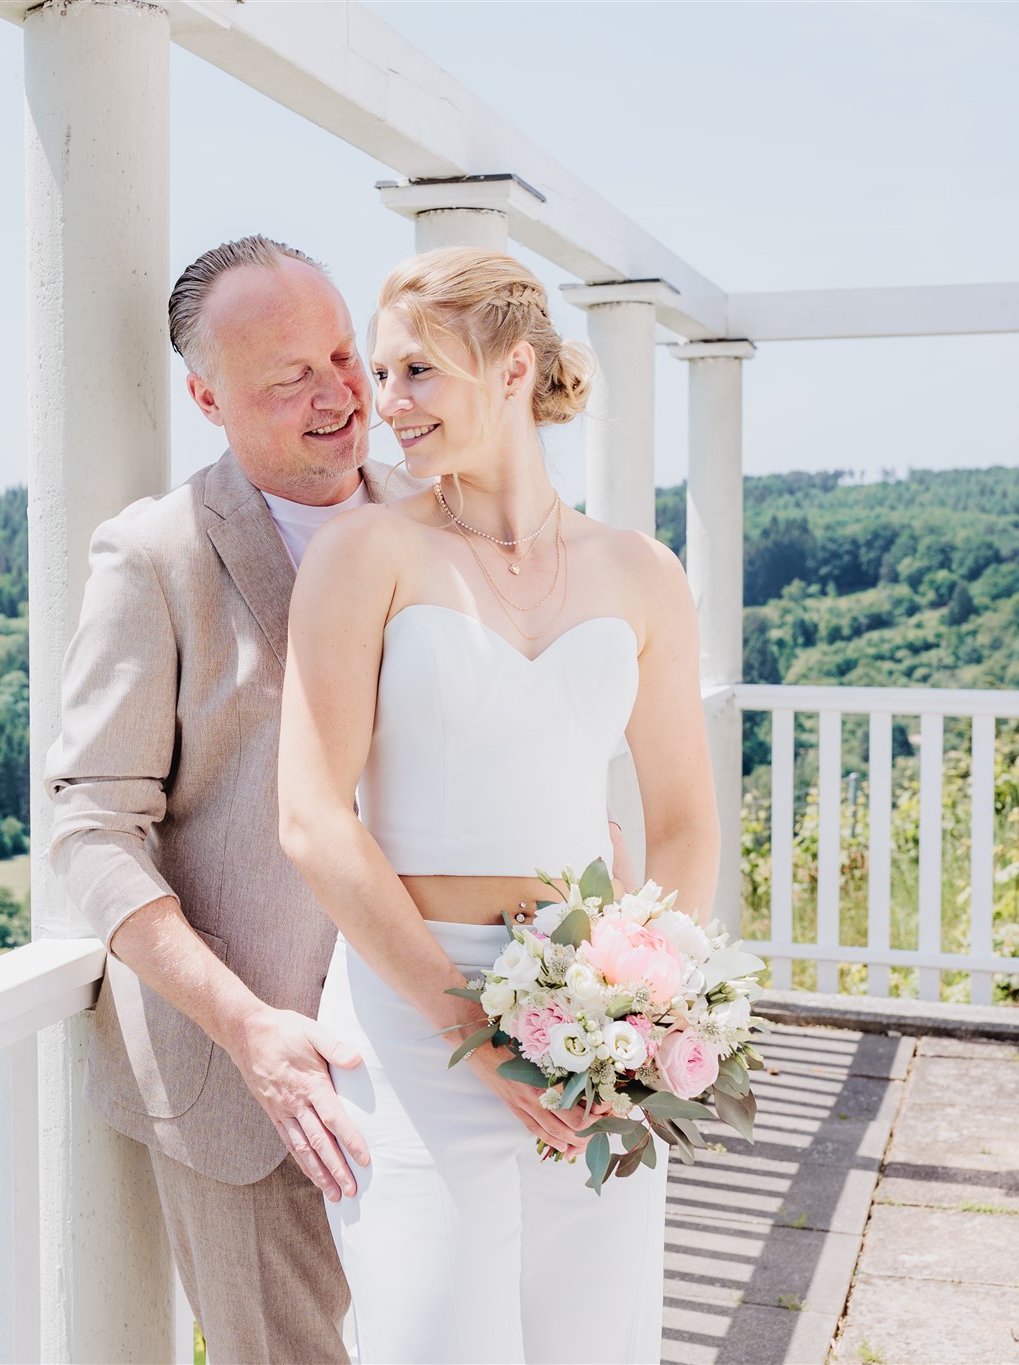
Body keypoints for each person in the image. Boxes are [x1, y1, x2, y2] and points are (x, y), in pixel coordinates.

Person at [45, 236, 634, 1363]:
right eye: (287, 379)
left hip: (469, 1052)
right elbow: (89, 824)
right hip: (266, 1085)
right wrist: (245, 1028)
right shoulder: (151, 556)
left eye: (340, 357)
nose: (340, 397)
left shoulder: (448, 517)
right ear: (206, 396)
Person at [279, 247, 720, 1364]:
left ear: (512, 370)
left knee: (592, 1338)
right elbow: (313, 820)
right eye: (380, 377)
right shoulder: (362, 552)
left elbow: (681, 820)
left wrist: (645, 1006)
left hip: (587, 1022)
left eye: (415, 372)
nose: (385, 407)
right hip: (410, 1021)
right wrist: (469, 1029)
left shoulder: (640, 572)